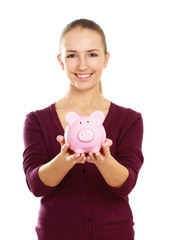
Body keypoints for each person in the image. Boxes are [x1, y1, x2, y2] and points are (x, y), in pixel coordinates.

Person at [23, 19, 144, 240]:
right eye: (72, 55)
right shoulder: (37, 120)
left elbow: (126, 184)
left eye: (92, 54)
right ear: (61, 61)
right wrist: (63, 159)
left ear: (106, 59)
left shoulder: (129, 119)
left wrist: (104, 160)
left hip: (115, 234)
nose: (82, 65)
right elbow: (35, 185)